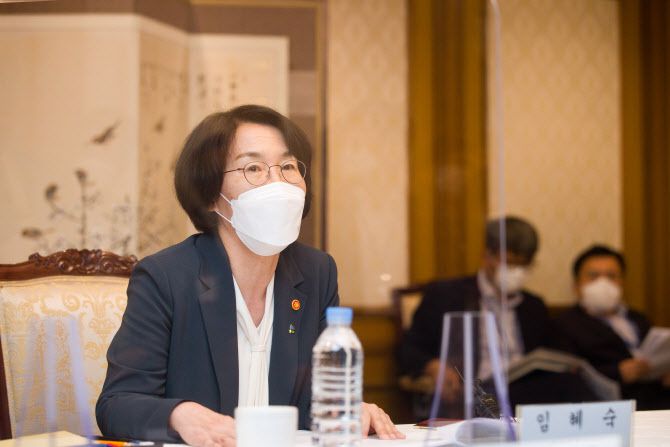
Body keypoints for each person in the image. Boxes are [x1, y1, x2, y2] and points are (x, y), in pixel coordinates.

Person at [96, 105, 404, 445]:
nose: (277, 183)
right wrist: (179, 415)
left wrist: (347, 411)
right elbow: (117, 405)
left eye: (288, 166)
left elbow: (314, 402)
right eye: (253, 168)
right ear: (210, 195)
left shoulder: (317, 272)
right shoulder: (166, 277)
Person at [400, 216, 593, 414]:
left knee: (572, 383)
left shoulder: (533, 306)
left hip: (527, 390)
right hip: (476, 392)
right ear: (487, 256)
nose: (516, 271)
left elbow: (550, 354)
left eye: (524, 265)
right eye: (509, 263)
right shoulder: (446, 296)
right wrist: (433, 366)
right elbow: (409, 349)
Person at [554, 244, 670, 410]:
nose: (603, 283)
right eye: (593, 276)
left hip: (659, 402)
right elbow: (568, 376)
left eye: (611, 276)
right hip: (611, 407)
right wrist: (618, 372)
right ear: (577, 285)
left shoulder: (639, 319)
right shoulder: (565, 324)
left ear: (622, 282)